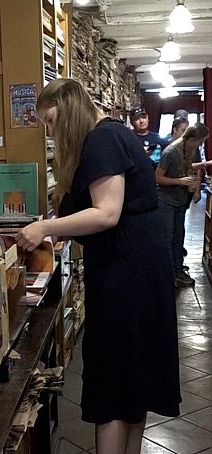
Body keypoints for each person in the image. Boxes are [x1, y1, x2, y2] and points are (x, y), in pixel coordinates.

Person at [16, 79, 180, 454]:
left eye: (52, 120)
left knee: (112, 379)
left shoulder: (102, 140)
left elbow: (107, 213)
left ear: (68, 107)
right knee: (132, 379)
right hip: (137, 269)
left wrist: (46, 226)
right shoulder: (112, 135)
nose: (51, 130)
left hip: (126, 275)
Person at [156, 123, 207, 287]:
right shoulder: (170, 152)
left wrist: (205, 165)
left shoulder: (189, 149)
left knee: (179, 237)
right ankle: (168, 274)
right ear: (192, 139)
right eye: (200, 142)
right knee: (168, 238)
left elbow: (188, 167)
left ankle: (177, 270)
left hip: (180, 200)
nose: (200, 146)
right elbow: (157, 178)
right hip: (166, 201)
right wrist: (179, 181)